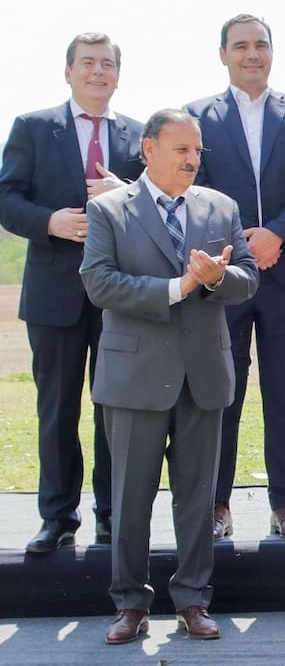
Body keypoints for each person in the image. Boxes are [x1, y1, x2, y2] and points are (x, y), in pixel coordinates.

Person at [79, 108, 259, 644]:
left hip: (203, 372)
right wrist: (178, 288)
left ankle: (193, 601)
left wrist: (217, 277)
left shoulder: (221, 207)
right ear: (149, 150)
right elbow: (99, 284)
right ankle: (130, 604)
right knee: (131, 497)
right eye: (181, 149)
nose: (192, 159)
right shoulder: (110, 209)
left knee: (197, 495)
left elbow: (247, 277)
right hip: (134, 375)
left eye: (197, 150)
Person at [186, 13, 285, 540]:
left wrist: (276, 235)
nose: (252, 54)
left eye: (261, 45)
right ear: (222, 53)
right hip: (223, 276)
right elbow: (193, 188)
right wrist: (242, 245)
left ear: (273, 52)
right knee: (222, 392)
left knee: (284, 394)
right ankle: (216, 504)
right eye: (241, 46)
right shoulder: (197, 116)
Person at [0, 32, 144, 554]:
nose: (98, 72)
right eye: (88, 63)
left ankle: (113, 515)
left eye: (107, 64)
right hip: (53, 296)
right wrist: (50, 222)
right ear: (68, 71)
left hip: (118, 296)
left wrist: (126, 193)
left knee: (116, 409)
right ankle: (57, 516)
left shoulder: (139, 135)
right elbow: (6, 198)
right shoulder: (34, 128)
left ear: (117, 74)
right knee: (57, 409)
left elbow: (160, 201)